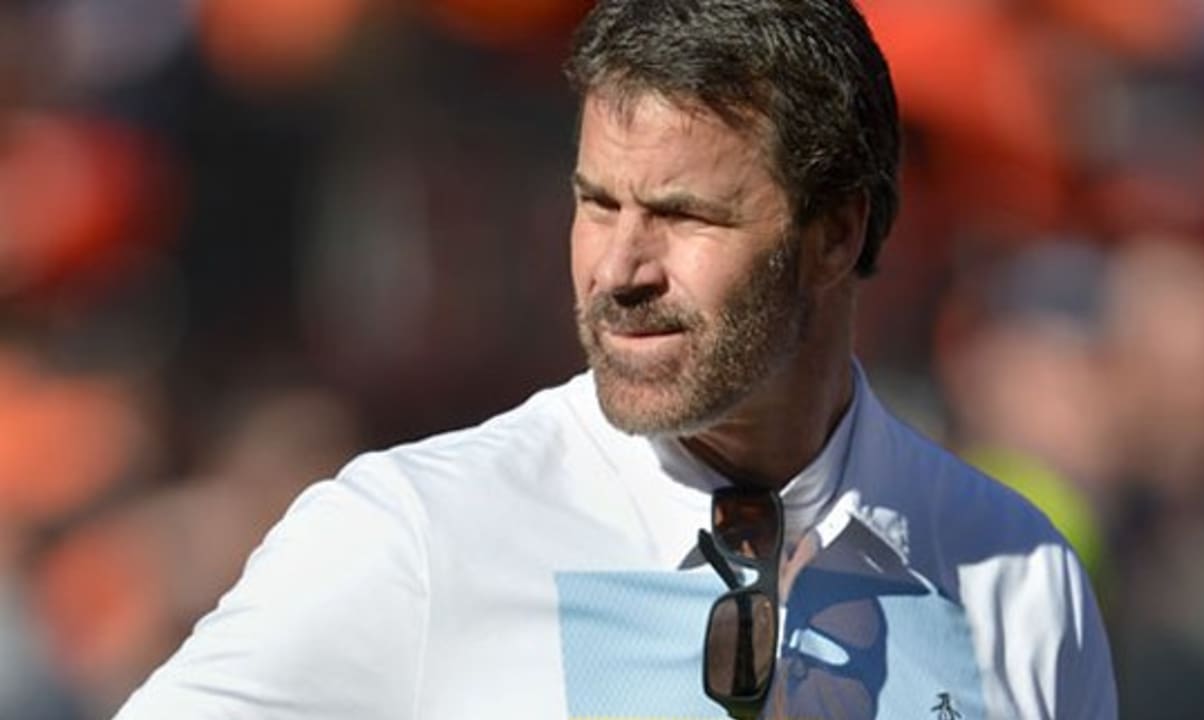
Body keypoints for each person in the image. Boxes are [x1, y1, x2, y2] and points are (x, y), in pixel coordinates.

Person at [115, 1, 1116, 718]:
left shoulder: (1017, 576)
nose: (619, 270)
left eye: (684, 214)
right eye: (597, 203)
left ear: (835, 234)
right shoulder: (412, 536)